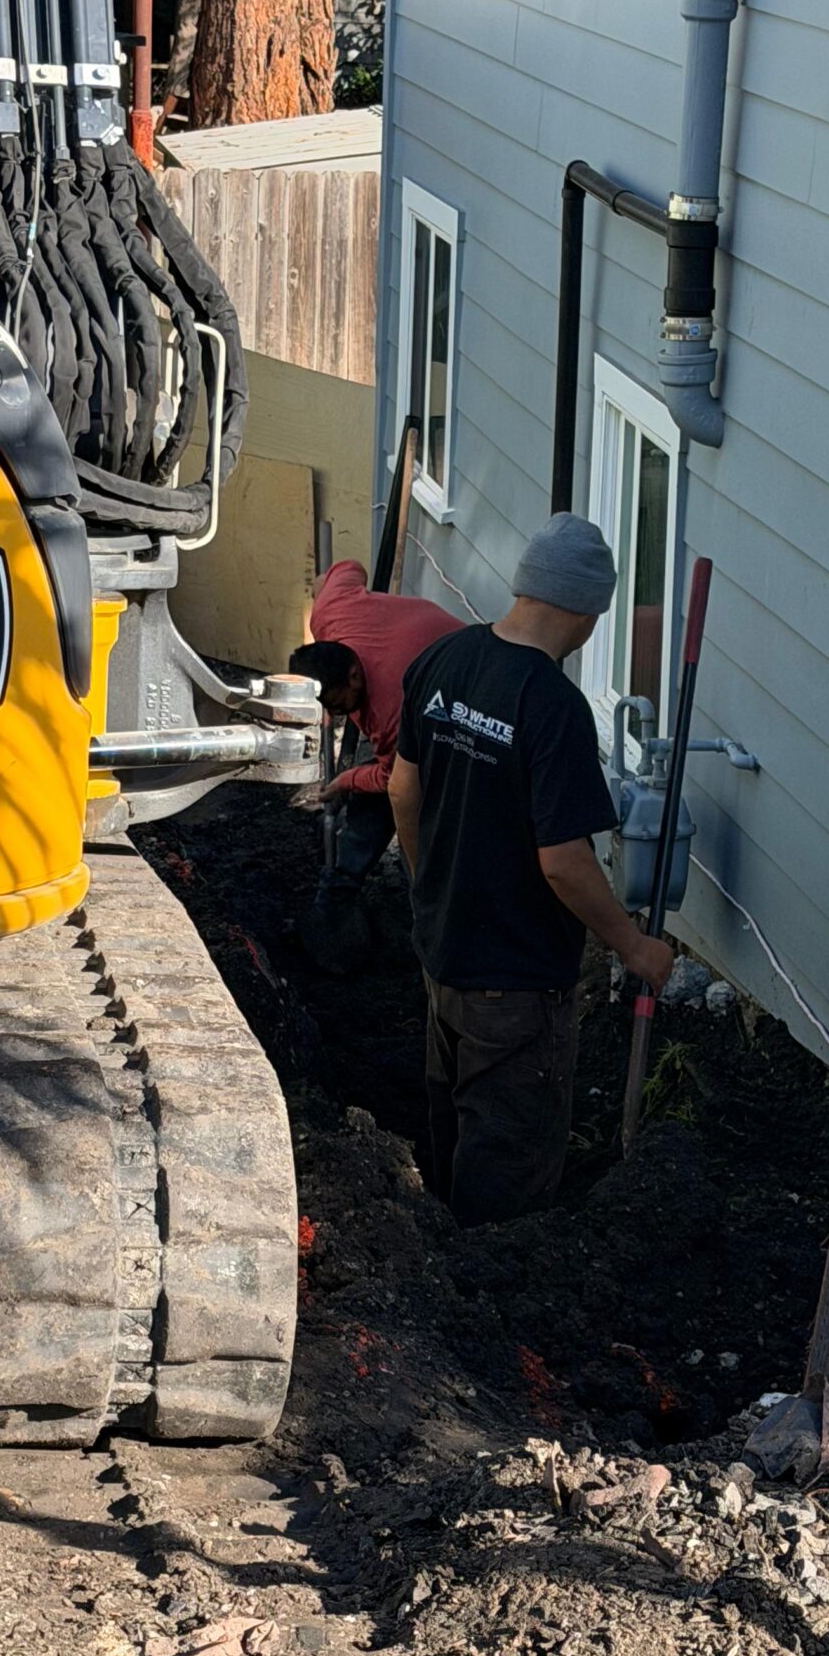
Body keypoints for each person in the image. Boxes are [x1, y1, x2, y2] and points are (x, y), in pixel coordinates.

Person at [388, 512, 675, 1227]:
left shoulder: (444, 659)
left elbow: (401, 789)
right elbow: (564, 863)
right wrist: (633, 946)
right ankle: (484, 1280)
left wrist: (431, 887)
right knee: (508, 1170)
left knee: (453, 1126)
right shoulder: (554, 707)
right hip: (515, 984)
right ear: (586, 611)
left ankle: (443, 1252)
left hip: (443, 957)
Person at [286, 559, 462, 917]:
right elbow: (347, 569)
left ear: (353, 675)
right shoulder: (330, 611)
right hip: (429, 652)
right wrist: (325, 589)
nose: (333, 714)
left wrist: (346, 780)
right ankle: (340, 888)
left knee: (405, 804)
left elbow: (392, 777)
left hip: (463, 691)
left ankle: (425, 902)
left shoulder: (390, 712)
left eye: (337, 705)